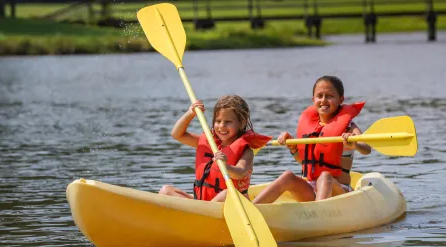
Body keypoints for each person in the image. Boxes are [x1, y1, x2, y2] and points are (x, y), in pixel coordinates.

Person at [253, 76, 371, 204]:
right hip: (311, 190)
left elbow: (366, 149)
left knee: (325, 176)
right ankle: (252, 210)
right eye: (319, 96)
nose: (323, 100)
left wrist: (355, 144)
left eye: (329, 96)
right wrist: (292, 147)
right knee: (287, 176)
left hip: (339, 191)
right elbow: (303, 162)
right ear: (313, 99)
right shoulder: (310, 128)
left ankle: (318, 214)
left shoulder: (349, 127)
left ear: (340, 100)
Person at [159, 95, 271, 202]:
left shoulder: (246, 151)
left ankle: (200, 213)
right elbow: (176, 134)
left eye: (228, 122)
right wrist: (190, 114)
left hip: (229, 205)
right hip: (202, 203)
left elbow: (240, 173)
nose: (222, 126)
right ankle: (199, 211)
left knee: (228, 193)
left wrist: (225, 165)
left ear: (242, 123)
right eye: (218, 121)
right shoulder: (208, 143)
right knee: (166, 190)